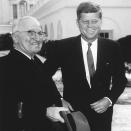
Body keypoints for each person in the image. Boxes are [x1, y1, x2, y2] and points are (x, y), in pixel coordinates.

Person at [40, 2, 127, 131]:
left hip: (103, 115)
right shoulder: (63, 47)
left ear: (100, 21)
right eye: (85, 21)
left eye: (94, 21)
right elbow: (42, 75)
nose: (90, 26)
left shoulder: (112, 47)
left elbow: (121, 80)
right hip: (73, 115)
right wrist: (58, 99)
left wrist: (109, 99)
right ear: (78, 22)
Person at [0, 16, 68, 131]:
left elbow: (46, 90)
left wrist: (60, 100)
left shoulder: (36, 61)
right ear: (15, 37)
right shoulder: (4, 66)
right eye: (31, 32)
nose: (37, 38)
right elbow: (6, 108)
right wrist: (45, 111)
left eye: (40, 33)